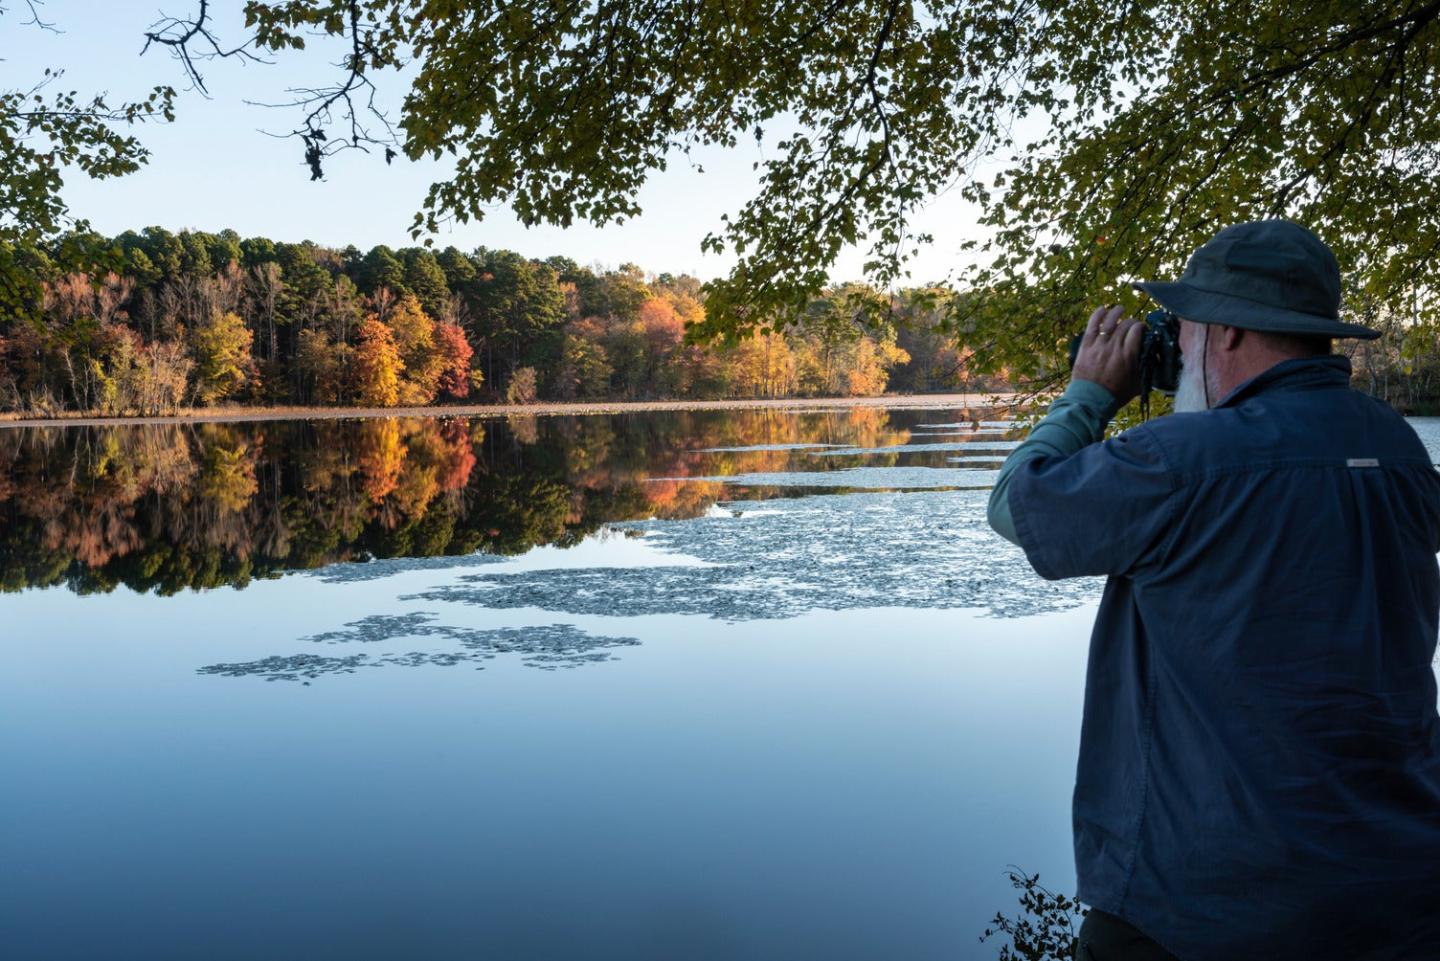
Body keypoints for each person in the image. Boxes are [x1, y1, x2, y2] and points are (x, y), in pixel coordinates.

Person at [986, 220, 1440, 961]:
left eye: (1182, 327)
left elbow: (1016, 502)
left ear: (1224, 334)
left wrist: (1088, 396)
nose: (1173, 346)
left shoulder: (1180, 460)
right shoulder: (1396, 445)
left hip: (1203, 903)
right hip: (1398, 887)